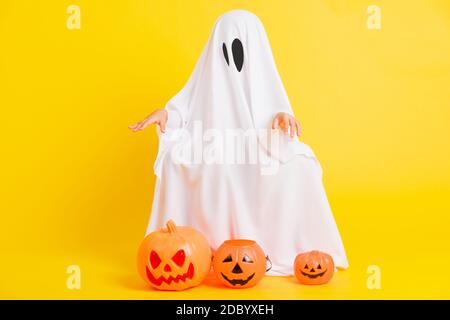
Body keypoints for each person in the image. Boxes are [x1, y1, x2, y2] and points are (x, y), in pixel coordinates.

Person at [129, 10, 348, 275]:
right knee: (216, 170)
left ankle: (278, 246)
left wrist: (280, 119)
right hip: (213, 150)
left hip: (257, 151)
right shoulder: (206, 78)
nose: (232, 59)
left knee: (301, 163)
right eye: (225, 48)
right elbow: (183, 111)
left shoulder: (262, 79)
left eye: (238, 48)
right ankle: (209, 250)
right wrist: (166, 115)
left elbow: (273, 113)